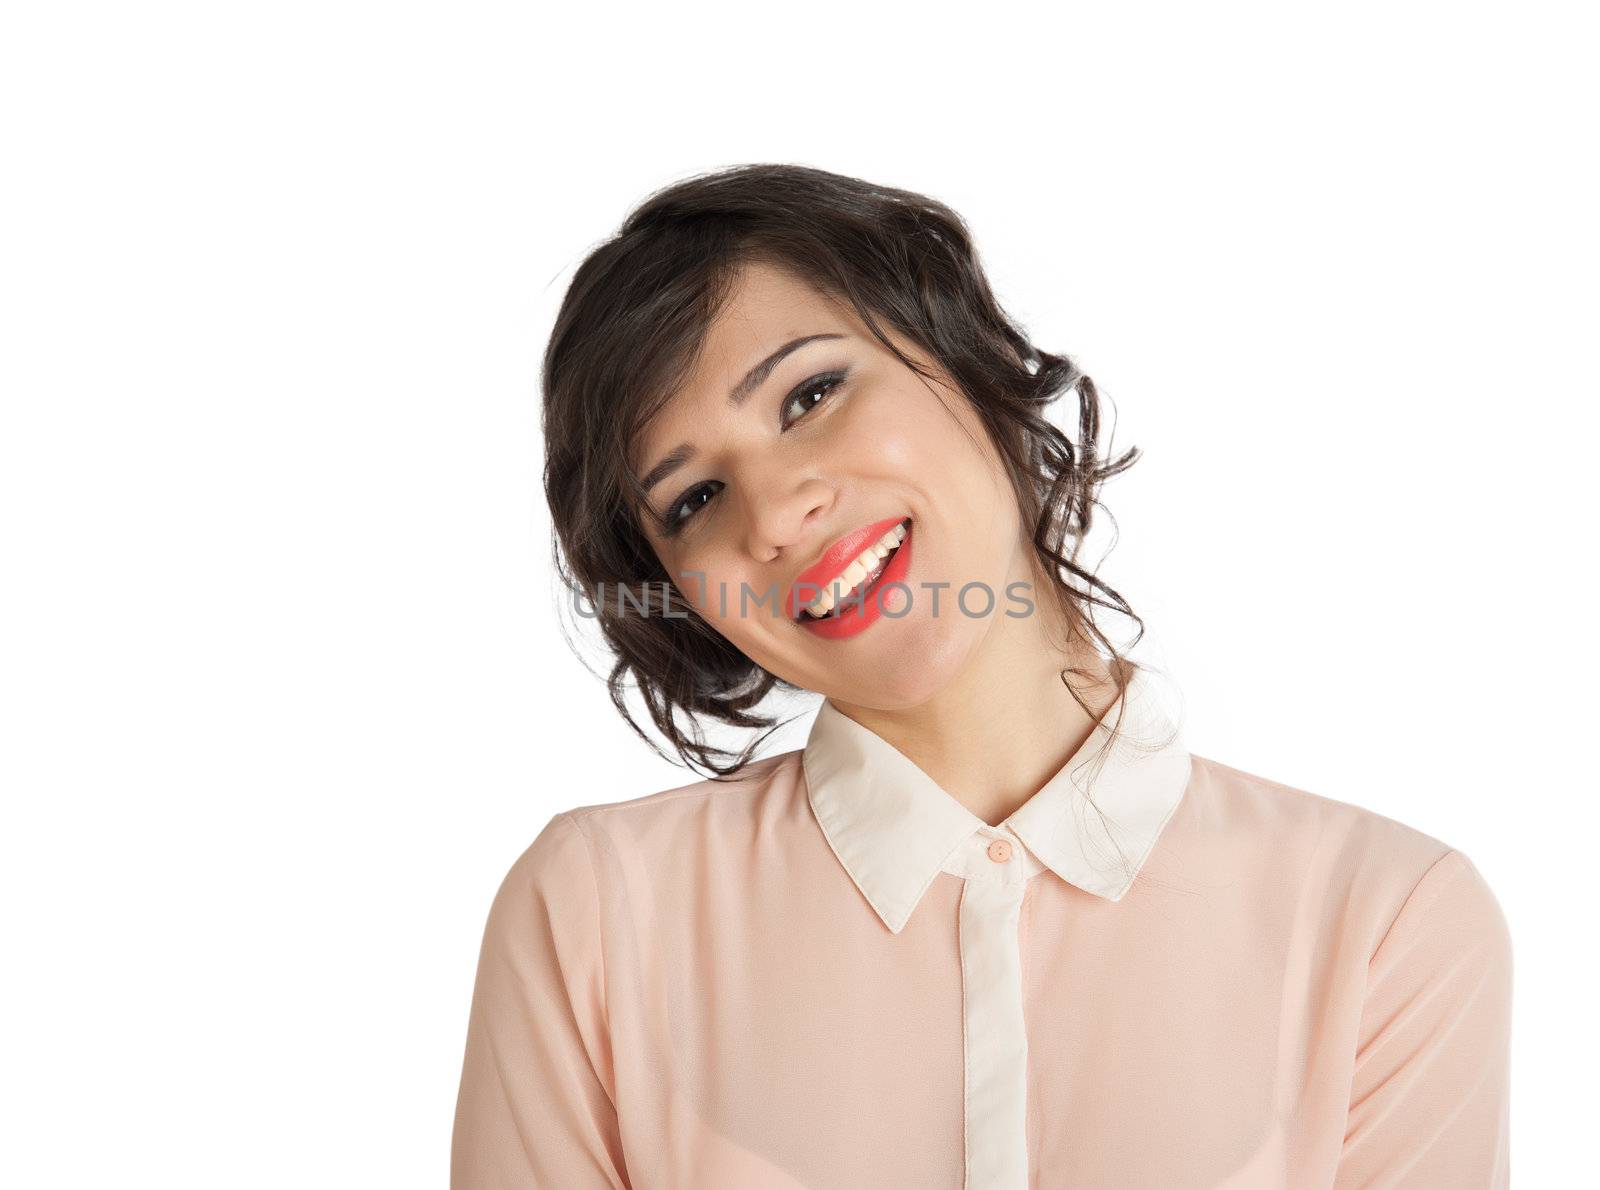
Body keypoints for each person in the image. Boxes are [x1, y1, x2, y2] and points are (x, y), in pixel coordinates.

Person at [450, 164, 1512, 1188]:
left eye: (810, 393)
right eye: (693, 500)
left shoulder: (1385, 921)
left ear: (966, 353)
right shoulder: (592, 914)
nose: (774, 514)